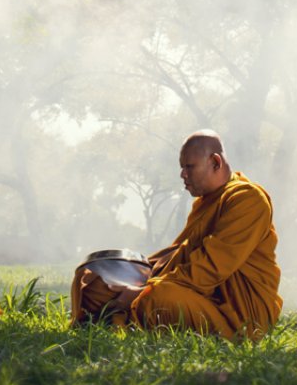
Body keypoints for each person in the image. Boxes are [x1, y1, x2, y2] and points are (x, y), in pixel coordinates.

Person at [72, 130, 281, 339]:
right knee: (92, 279)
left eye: (189, 167)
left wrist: (143, 290)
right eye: (182, 168)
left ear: (215, 162)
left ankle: (117, 320)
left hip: (237, 318)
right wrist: (133, 275)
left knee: (157, 298)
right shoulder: (205, 203)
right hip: (196, 296)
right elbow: (177, 256)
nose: (183, 174)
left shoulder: (247, 199)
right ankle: (115, 317)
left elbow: (210, 268)